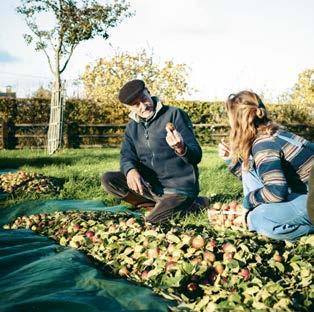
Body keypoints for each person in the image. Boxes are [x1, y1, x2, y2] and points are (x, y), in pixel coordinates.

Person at [102, 79, 206, 223]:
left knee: (151, 221)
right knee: (109, 179)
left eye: (144, 98)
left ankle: (190, 205)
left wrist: (181, 148)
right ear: (129, 108)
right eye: (136, 104)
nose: (143, 106)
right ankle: (157, 205)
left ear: (149, 92)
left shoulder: (174, 114)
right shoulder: (132, 128)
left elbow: (196, 155)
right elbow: (126, 156)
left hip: (179, 189)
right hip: (152, 188)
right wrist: (130, 170)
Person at [218, 90, 314, 241]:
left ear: (237, 122)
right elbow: (254, 174)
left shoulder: (264, 145)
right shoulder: (275, 133)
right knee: (247, 164)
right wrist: (231, 160)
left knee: (258, 219)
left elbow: (276, 191)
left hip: (310, 200)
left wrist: (247, 202)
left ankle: (306, 229)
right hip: (305, 193)